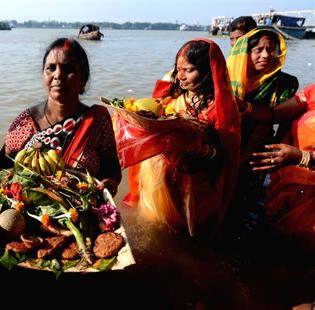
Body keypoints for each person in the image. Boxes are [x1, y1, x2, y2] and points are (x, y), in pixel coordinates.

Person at [115, 39, 240, 239]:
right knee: (153, 224)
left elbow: (223, 156)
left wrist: (196, 145)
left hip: (191, 181)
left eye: (188, 70)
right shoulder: (173, 95)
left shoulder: (220, 108)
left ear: (207, 71)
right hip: (158, 173)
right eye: (178, 69)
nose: (180, 76)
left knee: (183, 232)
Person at [0, 37, 121, 195]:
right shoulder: (26, 122)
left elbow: (113, 171)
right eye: (51, 68)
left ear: (83, 80)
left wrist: (109, 184)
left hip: (83, 211)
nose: (58, 75)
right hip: (27, 213)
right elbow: (1, 164)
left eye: (68, 69)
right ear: (43, 75)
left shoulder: (96, 123)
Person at [226, 27, 299, 230]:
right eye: (258, 49)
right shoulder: (226, 77)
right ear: (245, 53)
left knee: (243, 206)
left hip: (257, 150)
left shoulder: (285, 83)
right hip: (224, 145)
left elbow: (277, 123)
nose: (266, 55)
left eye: (271, 49)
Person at [250, 84, 314, 253]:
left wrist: (303, 157)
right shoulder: (312, 93)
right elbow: (272, 115)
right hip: (286, 187)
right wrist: (241, 106)